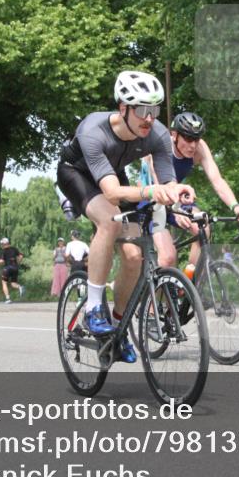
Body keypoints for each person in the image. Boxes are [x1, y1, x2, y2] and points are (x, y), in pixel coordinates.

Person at [55, 70, 196, 363]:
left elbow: (167, 181)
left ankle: (117, 330)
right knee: (108, 220)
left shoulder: (156, 134)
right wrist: (150, 191)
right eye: (143, 110)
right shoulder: (93, 131)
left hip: (112, 172)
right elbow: (112, 193)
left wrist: (177, 190)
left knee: (134, 257)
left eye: (155, 109)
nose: (150, 118)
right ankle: (94, 307)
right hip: (78, 174)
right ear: (123, 108)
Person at [139, 111, 239, 273]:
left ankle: (188, 281)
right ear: (174, 135)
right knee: (168, 258)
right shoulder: (161, 146)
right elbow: (160, 186)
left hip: (176, 197)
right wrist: (175, 210)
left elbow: (217, 180)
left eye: (196, 139)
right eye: (188, 138)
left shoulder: (200, 148)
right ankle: (157, 296)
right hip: (152, 200)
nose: (193, 145)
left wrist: (236, 207)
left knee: (203, 229)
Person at [0, 238, 25, 304]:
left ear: (4, 244)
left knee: (4, 282)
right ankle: (20, 287)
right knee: (13, 284)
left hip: (8, 268)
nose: (1, 245)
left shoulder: (4, 251)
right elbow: (21, 256)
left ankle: (8, 299)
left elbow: (2, 260)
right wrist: (18, 262)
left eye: (1, 244)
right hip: (15, 268)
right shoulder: (14, 249)